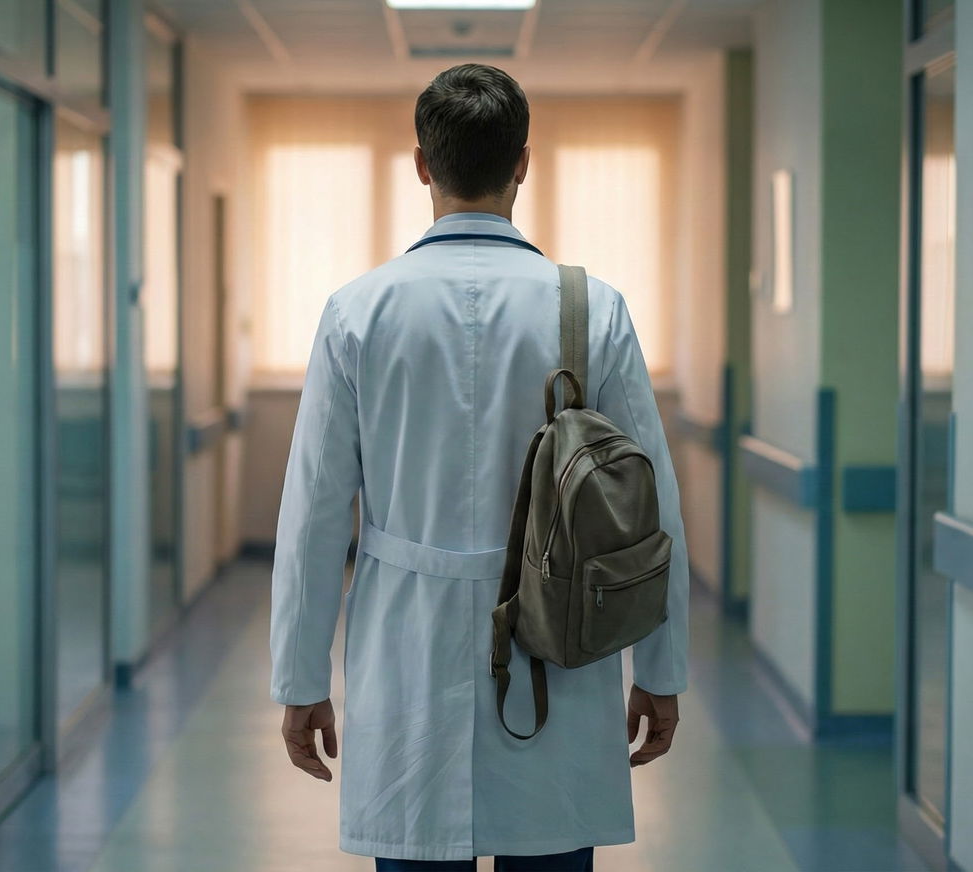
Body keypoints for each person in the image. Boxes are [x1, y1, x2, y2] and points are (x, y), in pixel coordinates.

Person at [268, 63, 689, 872]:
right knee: (551, 848)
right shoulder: (591, 309)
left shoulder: (359, 312)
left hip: (408, 652)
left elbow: (316, 512)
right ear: (523, 163)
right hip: (559, 647)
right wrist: (663, 671)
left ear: (422, 164)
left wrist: (299, 677)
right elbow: (651, 508)